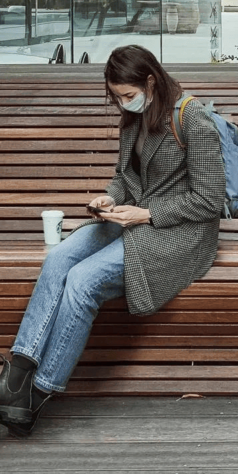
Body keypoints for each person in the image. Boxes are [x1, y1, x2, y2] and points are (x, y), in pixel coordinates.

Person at [0, 45, 225, 437]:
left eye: (127, 94)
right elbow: (125, 177)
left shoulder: (194, 120)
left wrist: (147, 213)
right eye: (117, 96)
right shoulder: (134, 118)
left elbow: (210, 200)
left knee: (83, 281)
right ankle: (16, 374)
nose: (124, 102)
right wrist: (109, 196)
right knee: (60, 258)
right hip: (132, 217)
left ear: (150, 81)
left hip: (180, 231)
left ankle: (37, 393)